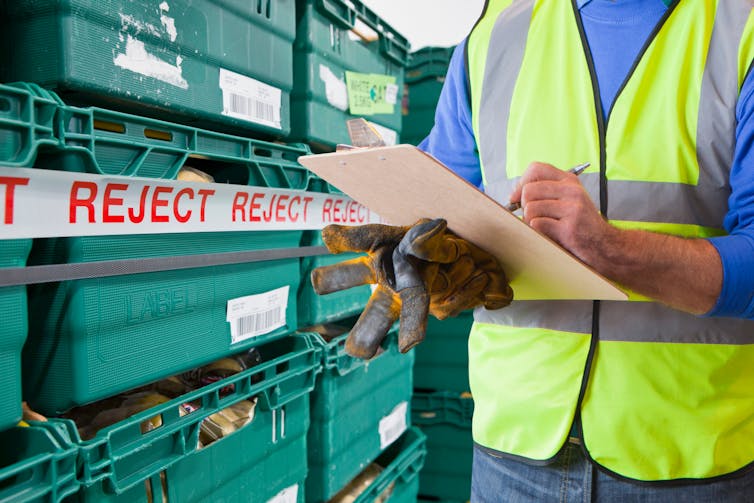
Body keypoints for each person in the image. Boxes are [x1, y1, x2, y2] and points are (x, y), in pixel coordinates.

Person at [416, 0, 754, 500]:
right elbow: (437, 201)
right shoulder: (496, 33)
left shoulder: (739, 29)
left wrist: (610, 248)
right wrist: (411, 248)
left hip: (686, 459)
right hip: (513, 450)